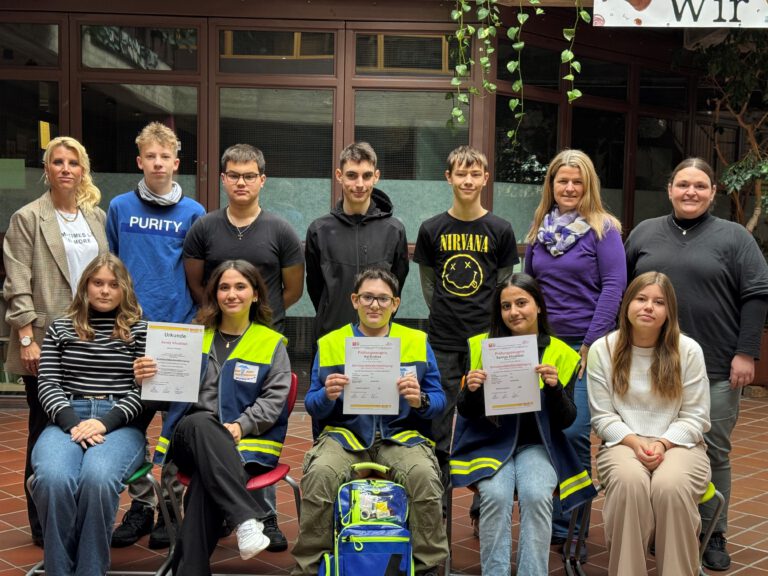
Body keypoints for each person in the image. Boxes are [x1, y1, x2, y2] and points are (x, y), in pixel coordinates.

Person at [625, 158, 768, 571]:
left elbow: (757, 294)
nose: (691, 192)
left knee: (714, 451)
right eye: (683, 184)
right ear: (670, 188)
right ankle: (661, 526)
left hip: (718, 366)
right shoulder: (644, 233)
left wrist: (746, 352)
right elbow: (625, 292)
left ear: (712, 192)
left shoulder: (735, 237)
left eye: (700, 186)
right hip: (652, 367)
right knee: (652, 446)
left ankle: (713, 530)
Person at [183, 143, 304, 549]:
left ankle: (264, 518)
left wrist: (255, 317)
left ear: (262, 180)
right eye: (233, 174)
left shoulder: (280, 230)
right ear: (223, 178)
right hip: (218, 333)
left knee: (254, 422)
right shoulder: (204, 227)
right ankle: (244, 517)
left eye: (249, 175)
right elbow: (198, 283)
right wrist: (226, 312)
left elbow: (293, 288)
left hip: (261, 338)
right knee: (211, 413)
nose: (241, 181)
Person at [292, 268, 449, 576]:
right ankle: (310, 567)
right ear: (354, 300)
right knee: (321, 474)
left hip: (401, 437)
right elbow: (312, 405)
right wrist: (327, 394)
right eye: (367, 297)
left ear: (396, 303)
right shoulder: (332, 343)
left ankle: (428, 566)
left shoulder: (416, 341)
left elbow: (439, 401)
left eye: (382, 298)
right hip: (344, 438)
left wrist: (421, 400)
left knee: (424, 478)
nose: (374, 305)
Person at [142, 259, 292, 575]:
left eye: (240, 286)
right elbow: (163, 396)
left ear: (255, 295)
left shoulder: (272, 343)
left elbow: (275, 399)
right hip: (189, 438)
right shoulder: (191, 338)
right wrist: (146, 376)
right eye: (224, 287)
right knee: (200, 421)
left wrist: (241, 425)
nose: (231, 294)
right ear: (214, 294)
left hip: (247, 446)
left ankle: (188, 570)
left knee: (203, 486)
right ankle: (246, 518)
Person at [450, 272, 596, 576]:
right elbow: (465, 411)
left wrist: (554, 388)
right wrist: (472, 390)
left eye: (521, 303)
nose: (514, 312)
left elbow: (567, 420)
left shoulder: (561, 352)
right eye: (506, 306)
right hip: (490, 442)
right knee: (495, 495)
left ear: (538, 306)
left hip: (539, 445)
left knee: (536, 493)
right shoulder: (481, 346)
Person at [3, 136, 107, 546]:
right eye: (57, 162)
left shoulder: (94, 216)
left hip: (91, 341)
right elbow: (16, 283)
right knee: (44, 425)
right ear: (46, 169)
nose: (66, 169)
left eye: (73, 162)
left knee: (82, 419)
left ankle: (77, 511)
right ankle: (43, 522)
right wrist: (27, 336)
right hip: (45, 340)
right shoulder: (27, 217)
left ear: (83, 170)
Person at [108, 121, 205, 549]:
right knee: (132, 422)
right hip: (130, 330)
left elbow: (201, 274)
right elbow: (109, 269)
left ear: (176, 163)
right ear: (140, 161)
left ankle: (170, 505)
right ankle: (142, 506)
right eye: (151, 156)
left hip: (178, 333)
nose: (158, 163)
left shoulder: (195, 213)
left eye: (166, 157)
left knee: (176, 425)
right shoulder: (119, 207)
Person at [524, 149, 626, 552]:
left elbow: (614, 288)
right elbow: (527, 290)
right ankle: (547, 515)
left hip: (587, 347)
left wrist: (588, 345)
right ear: (551, 185)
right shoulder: (539, 231)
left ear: (589, 186)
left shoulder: (604, 230)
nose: (568, 188)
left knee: (575, 431)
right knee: (542, 430)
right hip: (542, 346)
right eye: (561, 180)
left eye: (577, 181)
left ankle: (571, 529)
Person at [413, 145, 518, 514]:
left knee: (486, 423)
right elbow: (428, 285)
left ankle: (482, 505)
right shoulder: (431, 229)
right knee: (438, 425)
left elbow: (504, 286)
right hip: (442, 340)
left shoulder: (501, 229)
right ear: (448, 177)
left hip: (486, 344)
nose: (468, 180)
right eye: (461, 173)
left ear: (485, 178)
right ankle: (437, 510)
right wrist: (447, 312)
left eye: (475, 174)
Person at [30, 253, 147, 576]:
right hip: (67, 417)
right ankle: (59, 569)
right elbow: (48, 384)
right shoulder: (61, 329)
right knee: (53, 478)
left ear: (124, 290)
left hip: (119, 421)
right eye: (98, 283)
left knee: (96, 479)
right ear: (85, 286)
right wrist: (75, 422)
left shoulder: (141, 331)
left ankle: (90, 570)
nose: (105, 291)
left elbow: (145, 393)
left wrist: (104, 422)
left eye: (113, 284)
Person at [588, 271, 711, 576]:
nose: (648, 307)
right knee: (630, 483)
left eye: (658, 302)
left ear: (669, 311)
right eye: (641, 299)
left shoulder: (689, 350)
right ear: (627, 303)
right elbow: (602, 417)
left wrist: (663, 443)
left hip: (681, 443)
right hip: (623, 442)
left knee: (670, 486)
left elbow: (696, 417)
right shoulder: (602, 349)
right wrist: (635, 441)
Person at [305, 141, 409, 342]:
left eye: (367, 176)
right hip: (331, 336)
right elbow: (316, 288)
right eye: (352, 175)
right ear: (339, 176)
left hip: (379, 340)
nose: (359, 184)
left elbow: (397, 283)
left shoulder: (394, 230)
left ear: (376, 177)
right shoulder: (319, 230)